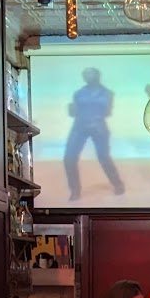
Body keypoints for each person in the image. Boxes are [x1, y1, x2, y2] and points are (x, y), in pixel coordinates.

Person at [62, 67, 125, 202]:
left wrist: (91, 112)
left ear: (98, 76)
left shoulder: (108, 93)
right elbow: (73, 113)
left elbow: (107, 112)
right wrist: (71, 110)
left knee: (104, 157)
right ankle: (75, 190)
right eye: (85, 75)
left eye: (90, 74)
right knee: (69, 158)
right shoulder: (78, 93)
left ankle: (118, 184)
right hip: (79, 127)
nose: (87, 77)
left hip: (98, 127)